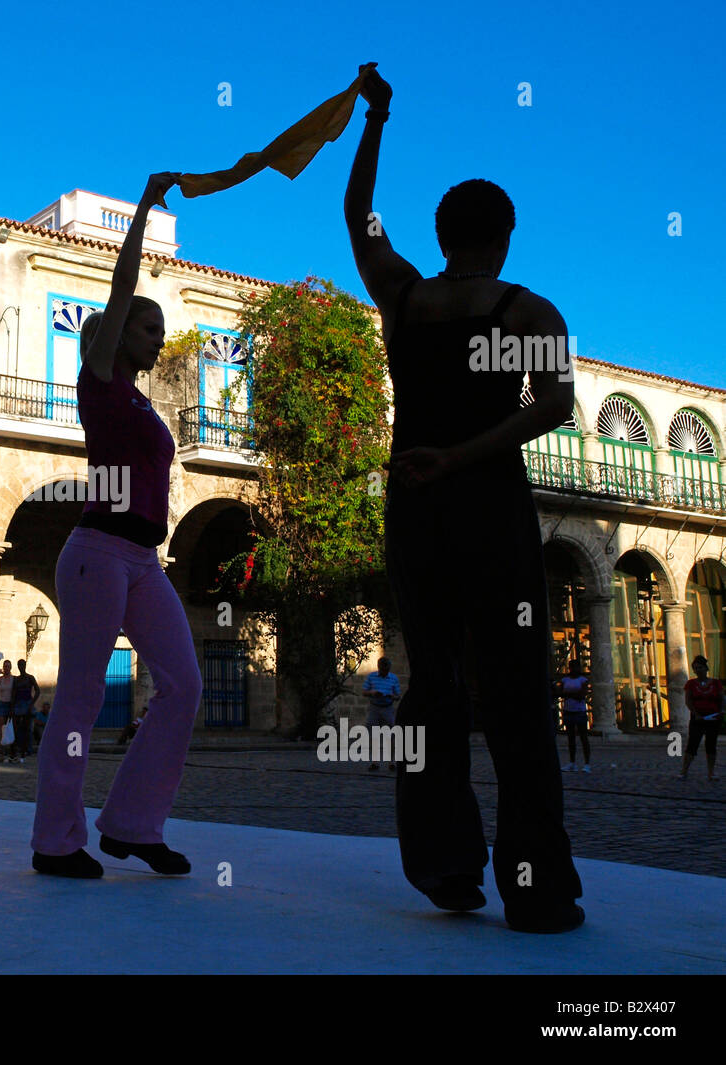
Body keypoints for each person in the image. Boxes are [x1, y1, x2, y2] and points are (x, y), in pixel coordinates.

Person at [345, 66, 584, 932]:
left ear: (443, 234)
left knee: (432, 686)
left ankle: (447, 865)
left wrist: (375, 118)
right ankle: (537, 888)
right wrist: (465, 455)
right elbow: (552, 405)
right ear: (506, 236)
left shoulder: (405, 299)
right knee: (517, 689)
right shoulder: (529, 309)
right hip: (485, 506)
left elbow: (359, 219)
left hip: (416, 510)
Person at [31, 171, 203, 880]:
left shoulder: (139, 405)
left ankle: (132, 823)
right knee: (79, 695)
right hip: (95, 552)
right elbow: (121, 283)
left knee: (184, 684)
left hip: (143, 560)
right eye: (148, 326)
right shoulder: (98, 385)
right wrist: (143, 210)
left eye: (161, 330)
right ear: (113, 335)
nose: (158, 339)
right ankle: (55, 839)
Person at [681, 655, 721, 781]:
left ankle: (711, 773)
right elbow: (688, 700)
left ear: (706, 668)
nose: (699, 670)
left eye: (701, 667)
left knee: (711, 745)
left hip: (713, 718)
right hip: (697, 718)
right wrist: (695, 713)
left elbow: (721, 698)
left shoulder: (715, 683)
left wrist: (721, 711)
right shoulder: (691, 684)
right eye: (696, 668)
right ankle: (684, 771)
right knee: (692, 745)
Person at [362, 656, 402, 772]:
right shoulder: (371, 676)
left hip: (388, 708)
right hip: (374, 708)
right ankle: (375, 762)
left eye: (387, 669)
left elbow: (398, 695)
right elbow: (364, 692)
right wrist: (373, 693)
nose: (385, 672)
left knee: (391, 736)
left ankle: (392, 762)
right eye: (383, 670)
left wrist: (392, 696)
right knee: (373, 736)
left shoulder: (393, 678)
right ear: (379, 668)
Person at [556, 660, 591, 773]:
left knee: (583, 738)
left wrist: (568, 694)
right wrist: (573, 694)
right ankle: (572, 763)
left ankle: (587, 764)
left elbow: (581, 695)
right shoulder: (565, 680)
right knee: (571, 739)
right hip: (568, 711)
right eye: (573, 667)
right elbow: (559, 693)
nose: (575, 669)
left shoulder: (583, 680)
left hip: (579, 712)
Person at [11, 659, 40, 762]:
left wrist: (32, 703)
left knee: (26, 729)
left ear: (25, 666)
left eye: (22, 665)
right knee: (16, 729)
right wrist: (12, 706)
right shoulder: (16, 679)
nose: (21, 667)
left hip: (27, 704)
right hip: (18, 705)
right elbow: (13, 693)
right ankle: (15, 751)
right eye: (19, 665)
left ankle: (24, 752)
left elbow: (38, 690)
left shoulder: (30, 678)